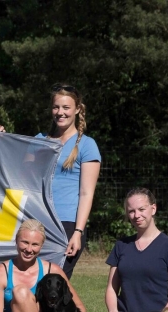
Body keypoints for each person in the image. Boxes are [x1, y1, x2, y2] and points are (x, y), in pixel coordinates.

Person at [36, 83, 101, 279]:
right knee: (32, 281)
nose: (60, 112)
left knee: (54, 284)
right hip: (37, 220)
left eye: (66, 108)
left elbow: (86, 193)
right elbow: (17, 174)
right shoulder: (39, 140)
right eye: (56, 107)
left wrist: (78, 232)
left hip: (67, 224)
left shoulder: (87, 145)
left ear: (77, 109)